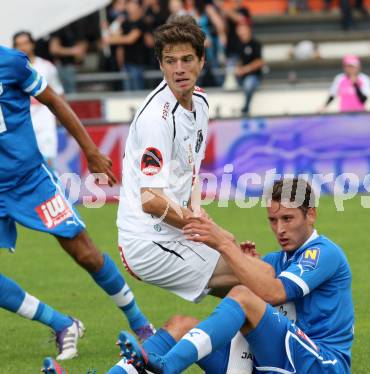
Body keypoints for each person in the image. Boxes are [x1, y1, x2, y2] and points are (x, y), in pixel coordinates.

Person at [109, 15, 256, 373]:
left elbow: (189, 176)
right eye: (170, 61)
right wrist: (216, 238)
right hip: (147, 240)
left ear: (202, 60)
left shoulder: (201, 105)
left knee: (249, 281)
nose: (179, 69)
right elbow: (151, 200)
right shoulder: (157, 119)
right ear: (160, 64)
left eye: (187, 59)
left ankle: (138, 365)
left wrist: (206, 223)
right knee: (254, 280)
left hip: (172, 228)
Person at [0, 44, 154, 360]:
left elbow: (54, 100)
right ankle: (61, 324)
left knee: (84, 253)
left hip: (30, 180)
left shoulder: (10, 63)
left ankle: (140, 323)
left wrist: (91, 152)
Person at [113, 177, 355, 374]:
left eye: (287, 218)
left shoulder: (324, 253)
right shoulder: (275, 260)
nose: (279, 229)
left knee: (243, 294)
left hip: (320, 364)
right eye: (273, 220)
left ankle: (168, 366)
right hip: (280, 359)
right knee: (181, 325)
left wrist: (224, 245)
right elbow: (235, 308)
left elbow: (273, 293)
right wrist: (243, 261)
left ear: (310, 215)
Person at [13, 31, 64, 168]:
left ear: (32, 44)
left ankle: (51, 189)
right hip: (22, 124)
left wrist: (62, 119)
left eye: (25, 43)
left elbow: (58, 94)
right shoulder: (11, 70)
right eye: (18, 45)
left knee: (48, 164)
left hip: (45, 123)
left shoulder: (47, 67)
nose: (22, 47)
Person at [49, 20, 88, 93]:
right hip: (63, 66)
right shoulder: (59, 27)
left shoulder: (77, 25)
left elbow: (82, 47)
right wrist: (73, 51)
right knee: (68, 95)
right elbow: (54, 49)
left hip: (73, 66)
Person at [235, 20, 264, 116]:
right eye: (239, 31)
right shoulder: (239, 45)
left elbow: (260, 62)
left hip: (254, 75)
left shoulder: (256, 44)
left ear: (248, 31)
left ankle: (246, 108)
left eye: (242, 30)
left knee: (249, 83)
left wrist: (245, 69)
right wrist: (238, 69)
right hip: (241, 77)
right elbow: (239, 61)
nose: (241, 33)